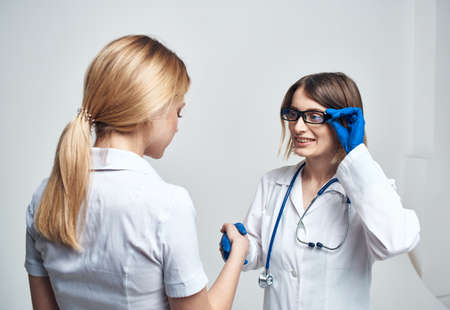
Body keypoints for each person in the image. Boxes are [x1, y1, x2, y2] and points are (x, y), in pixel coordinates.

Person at [25, 34, 249, 310]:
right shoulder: (168, 205)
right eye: (179, 112)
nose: (177, 126)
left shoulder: (44, 196)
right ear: (152, 109)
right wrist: (238, 254)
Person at [220, 72, 420, 310]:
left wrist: (357, 156)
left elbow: (395, 241)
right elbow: (259, 252)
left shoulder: (370, 187)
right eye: (293, 114)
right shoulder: (273, 183)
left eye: (314, 116)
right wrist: (240, 248)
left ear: (343, 120)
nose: (298, 127)